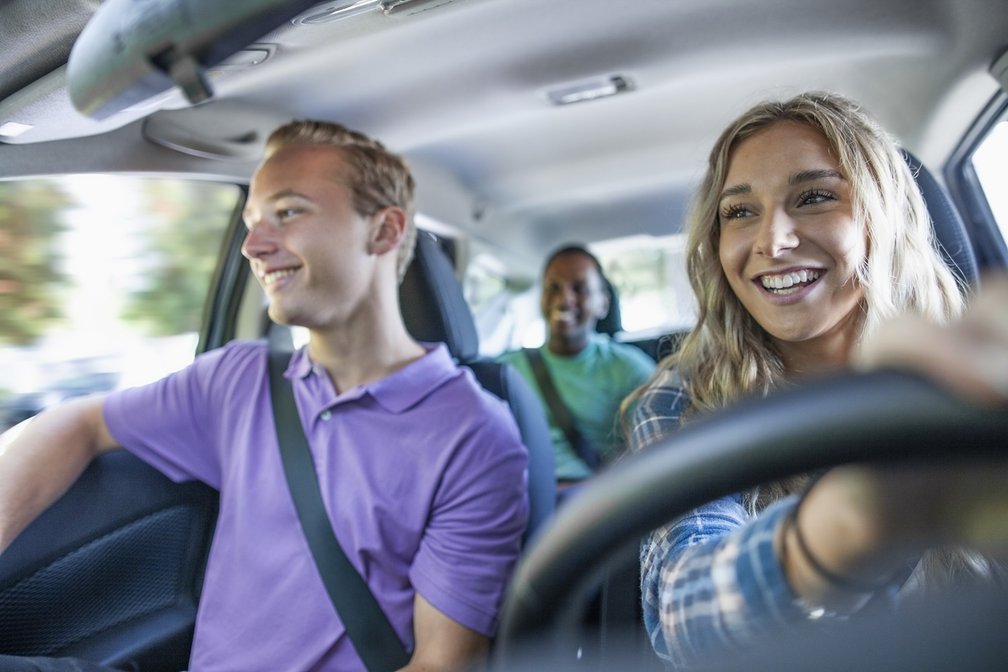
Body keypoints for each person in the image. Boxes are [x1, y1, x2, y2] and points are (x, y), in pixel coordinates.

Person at [0, 120, 529, 672]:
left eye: (289, 212)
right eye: (252, 222)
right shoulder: (235, 379)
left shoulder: (475, 434)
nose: (254, 246)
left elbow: (441, 666)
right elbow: (76, 422)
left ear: (384, 231)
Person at [627, 91, 1008, 668]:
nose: (773, 241)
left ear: (884, 219)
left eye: (814, 197)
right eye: (740, 211)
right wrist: (849, 523)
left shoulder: (976, 369)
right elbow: (686, 615)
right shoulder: (680, 399)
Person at [499, 245, 655, 490]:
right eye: (553, 288)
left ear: (603, 304)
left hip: (594, 504)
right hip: (520, 499)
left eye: (579, 289)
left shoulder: (628, 369)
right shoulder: (505, 369)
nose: (564, 299)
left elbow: (659, 447)